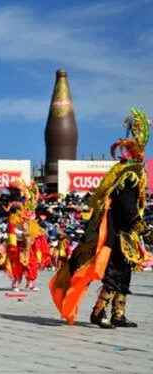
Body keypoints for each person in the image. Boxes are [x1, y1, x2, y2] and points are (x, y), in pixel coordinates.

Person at [50, 108, 152, 328]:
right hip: (117, 231)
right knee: (115, 273)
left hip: (124, 232)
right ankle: (98, 312)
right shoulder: (130, 173)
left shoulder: (122, 170)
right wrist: (141, 226)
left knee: (124, 272)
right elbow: (125, 205)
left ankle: (118, 313)